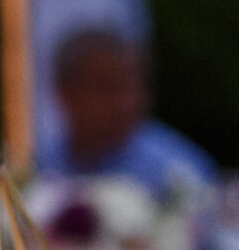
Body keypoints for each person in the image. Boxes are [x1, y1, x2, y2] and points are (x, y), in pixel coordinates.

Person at [38, 27, 217, 195]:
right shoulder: (40, 169)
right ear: (65, 92)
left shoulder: (178, 171)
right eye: (109, 88)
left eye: (135, 88)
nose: (127, 103)